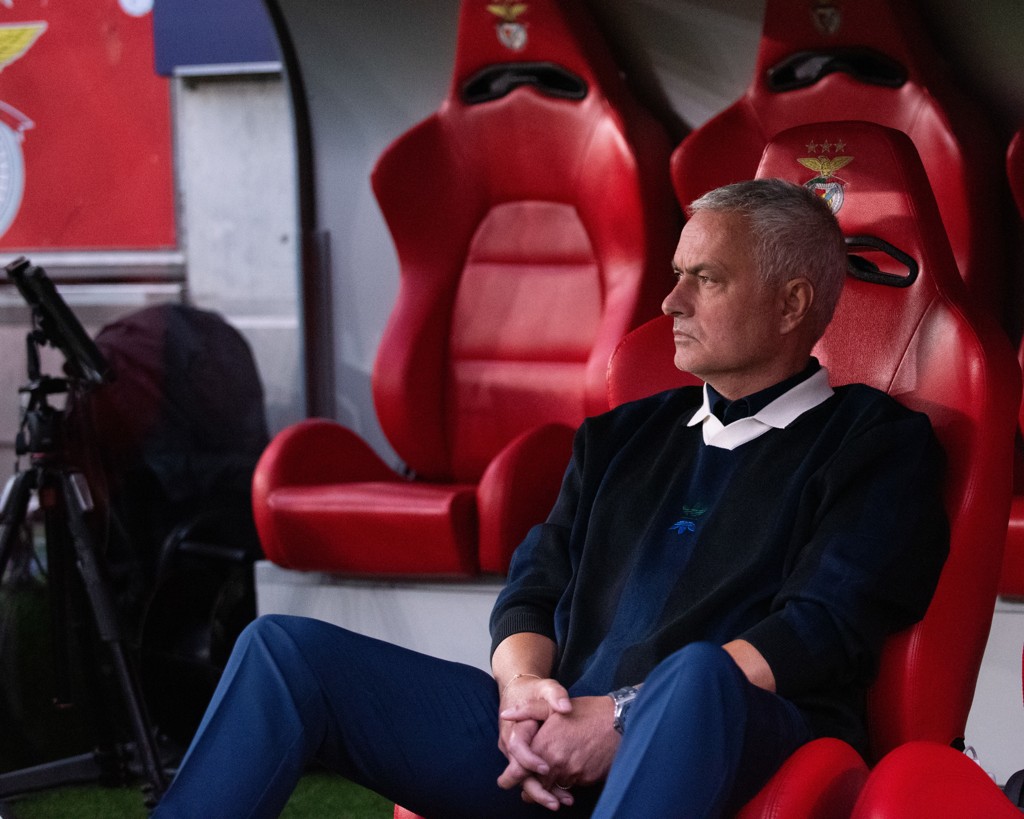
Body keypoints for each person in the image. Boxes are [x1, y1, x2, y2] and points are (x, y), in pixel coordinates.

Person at [151, 179, 948, 818]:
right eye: (677, 275)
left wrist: (622, 716)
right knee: (283, 651)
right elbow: (533, 588)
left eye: (705, 279)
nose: (671, 302)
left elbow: (820, 627)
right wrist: (525, 695)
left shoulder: (874, 442)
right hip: (560, 737)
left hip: (734, 738)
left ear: (792, 303)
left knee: (696, 675)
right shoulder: (621, 436)